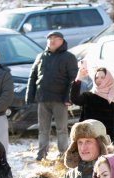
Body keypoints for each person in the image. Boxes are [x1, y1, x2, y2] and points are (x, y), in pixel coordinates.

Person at [26, 31, 78, 162]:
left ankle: (63, 155)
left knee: (61, 129)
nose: (52, 41)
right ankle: (41, 154)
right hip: (43, 99)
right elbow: (32, 77)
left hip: (60, 99)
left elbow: (73, 79)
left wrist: (68, 97)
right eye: (50, 38)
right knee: (43, 129)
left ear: (62, 41)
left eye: (56, 38)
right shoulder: (41, 56)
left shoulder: (69, 57)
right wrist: (30, 96)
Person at [71, 66, 114, 145]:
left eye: (102, 77)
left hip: (106, 142)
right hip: (87, 139)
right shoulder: (89, 96)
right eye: (96, 77)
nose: (99, 80)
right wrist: (78, 78)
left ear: (108, 79)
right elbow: (74, 99)